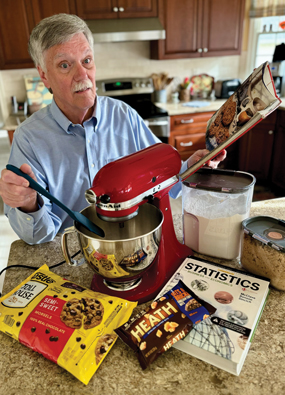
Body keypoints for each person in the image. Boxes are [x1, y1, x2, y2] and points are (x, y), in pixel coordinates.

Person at [0, 14, 226, 245]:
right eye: (65, 65)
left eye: (86, 60)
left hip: (135, 241)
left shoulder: (124, 115)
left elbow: (163, 177)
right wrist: (29, 204)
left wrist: (193, 166)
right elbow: (38, 237)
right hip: (71, 252)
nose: (82, 75)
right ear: (44, 76)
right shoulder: (29, 138)